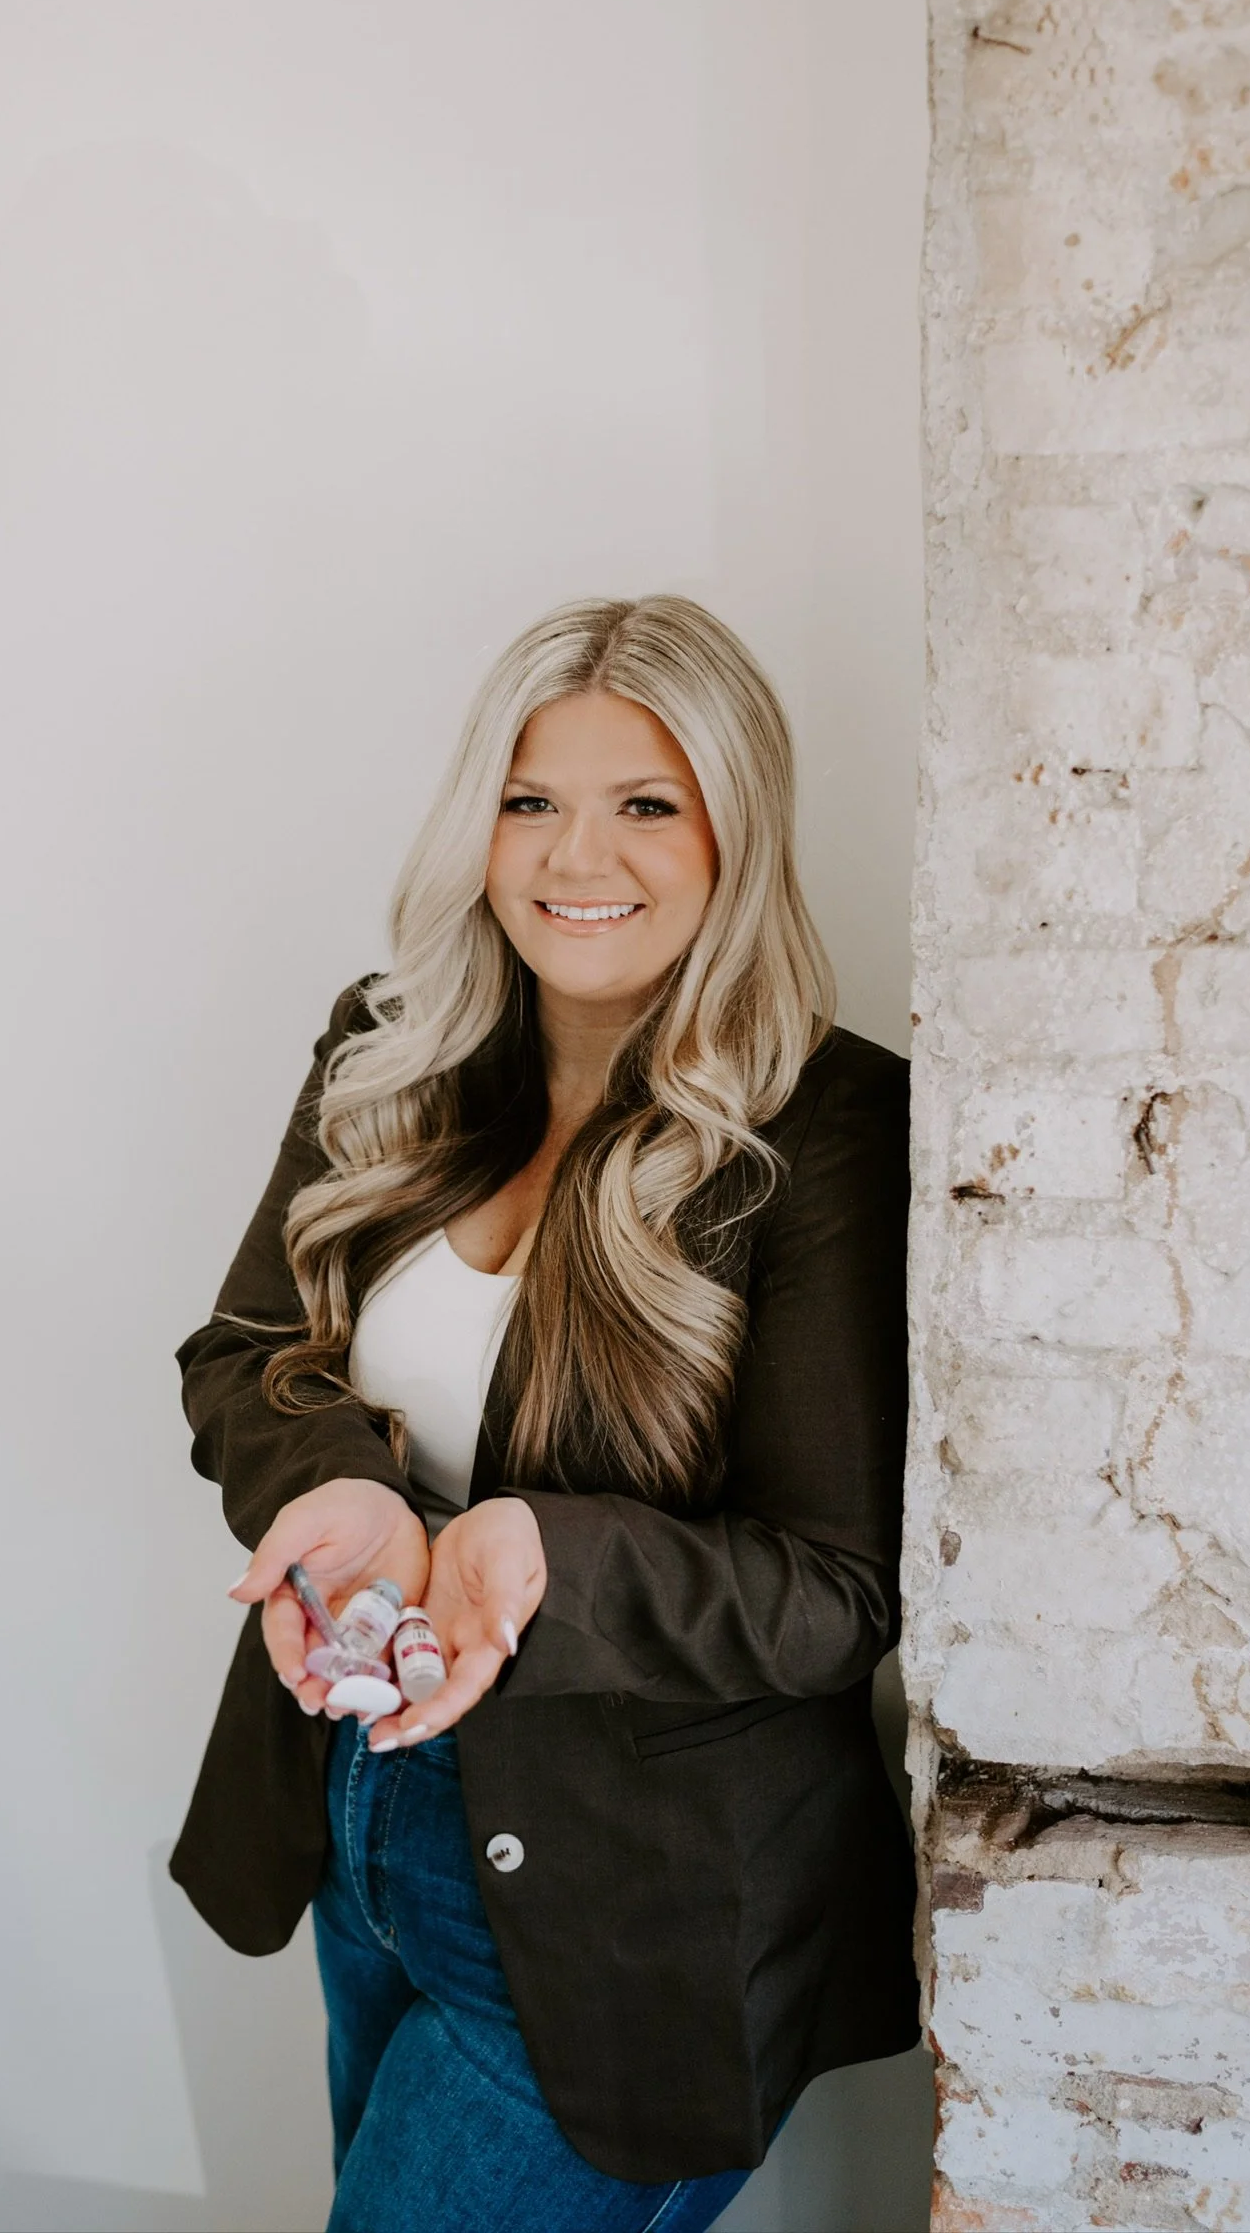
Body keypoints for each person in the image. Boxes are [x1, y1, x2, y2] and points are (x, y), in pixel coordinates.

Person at [170, 595, 920, 2233]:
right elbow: (241, 1353)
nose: (579, 853)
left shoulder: (831, 1126)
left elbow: (834, 1589)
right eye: (532, 801)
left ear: (736, 830)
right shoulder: (391, 1047)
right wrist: (346, 1489)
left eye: (646, 803)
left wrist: (535, 1553)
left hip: (631, 1908)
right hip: (357, 1809)